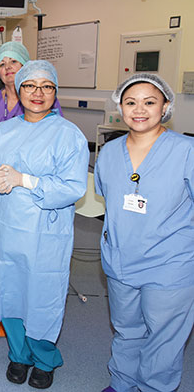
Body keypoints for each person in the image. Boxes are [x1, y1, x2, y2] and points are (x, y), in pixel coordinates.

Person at [0, 60, 88, 389]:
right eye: (30, 86)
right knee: (9, 292)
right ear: (18, 90)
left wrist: (27, 181)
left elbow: (73, 187)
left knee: (42, 295)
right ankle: (18, 354)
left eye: (46, 87)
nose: (38, 93)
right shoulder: (2, 132)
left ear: (55, 92)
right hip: (7, 230)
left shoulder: (69, 135)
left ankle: (45, 358)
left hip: (46, 232)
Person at [95, 74, 194, 392]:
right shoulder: (109, 153)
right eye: (130, 102)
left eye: (150, 102)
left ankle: (154, 387)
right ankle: (122, 382)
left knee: (164, 336)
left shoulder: (187, 151)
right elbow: (106, 198)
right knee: (127, 329)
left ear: (165, 107)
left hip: (170, 263)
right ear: (120, 108)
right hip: (120, 259)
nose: (139, 110)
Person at [0, 41, 62, 336]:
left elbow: (52, 150)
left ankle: (21, 311)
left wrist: (22, 179)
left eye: (15, 62)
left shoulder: (47, 106)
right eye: (2, 63)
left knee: (28, 258)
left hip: (34, 198)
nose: (8, 68)